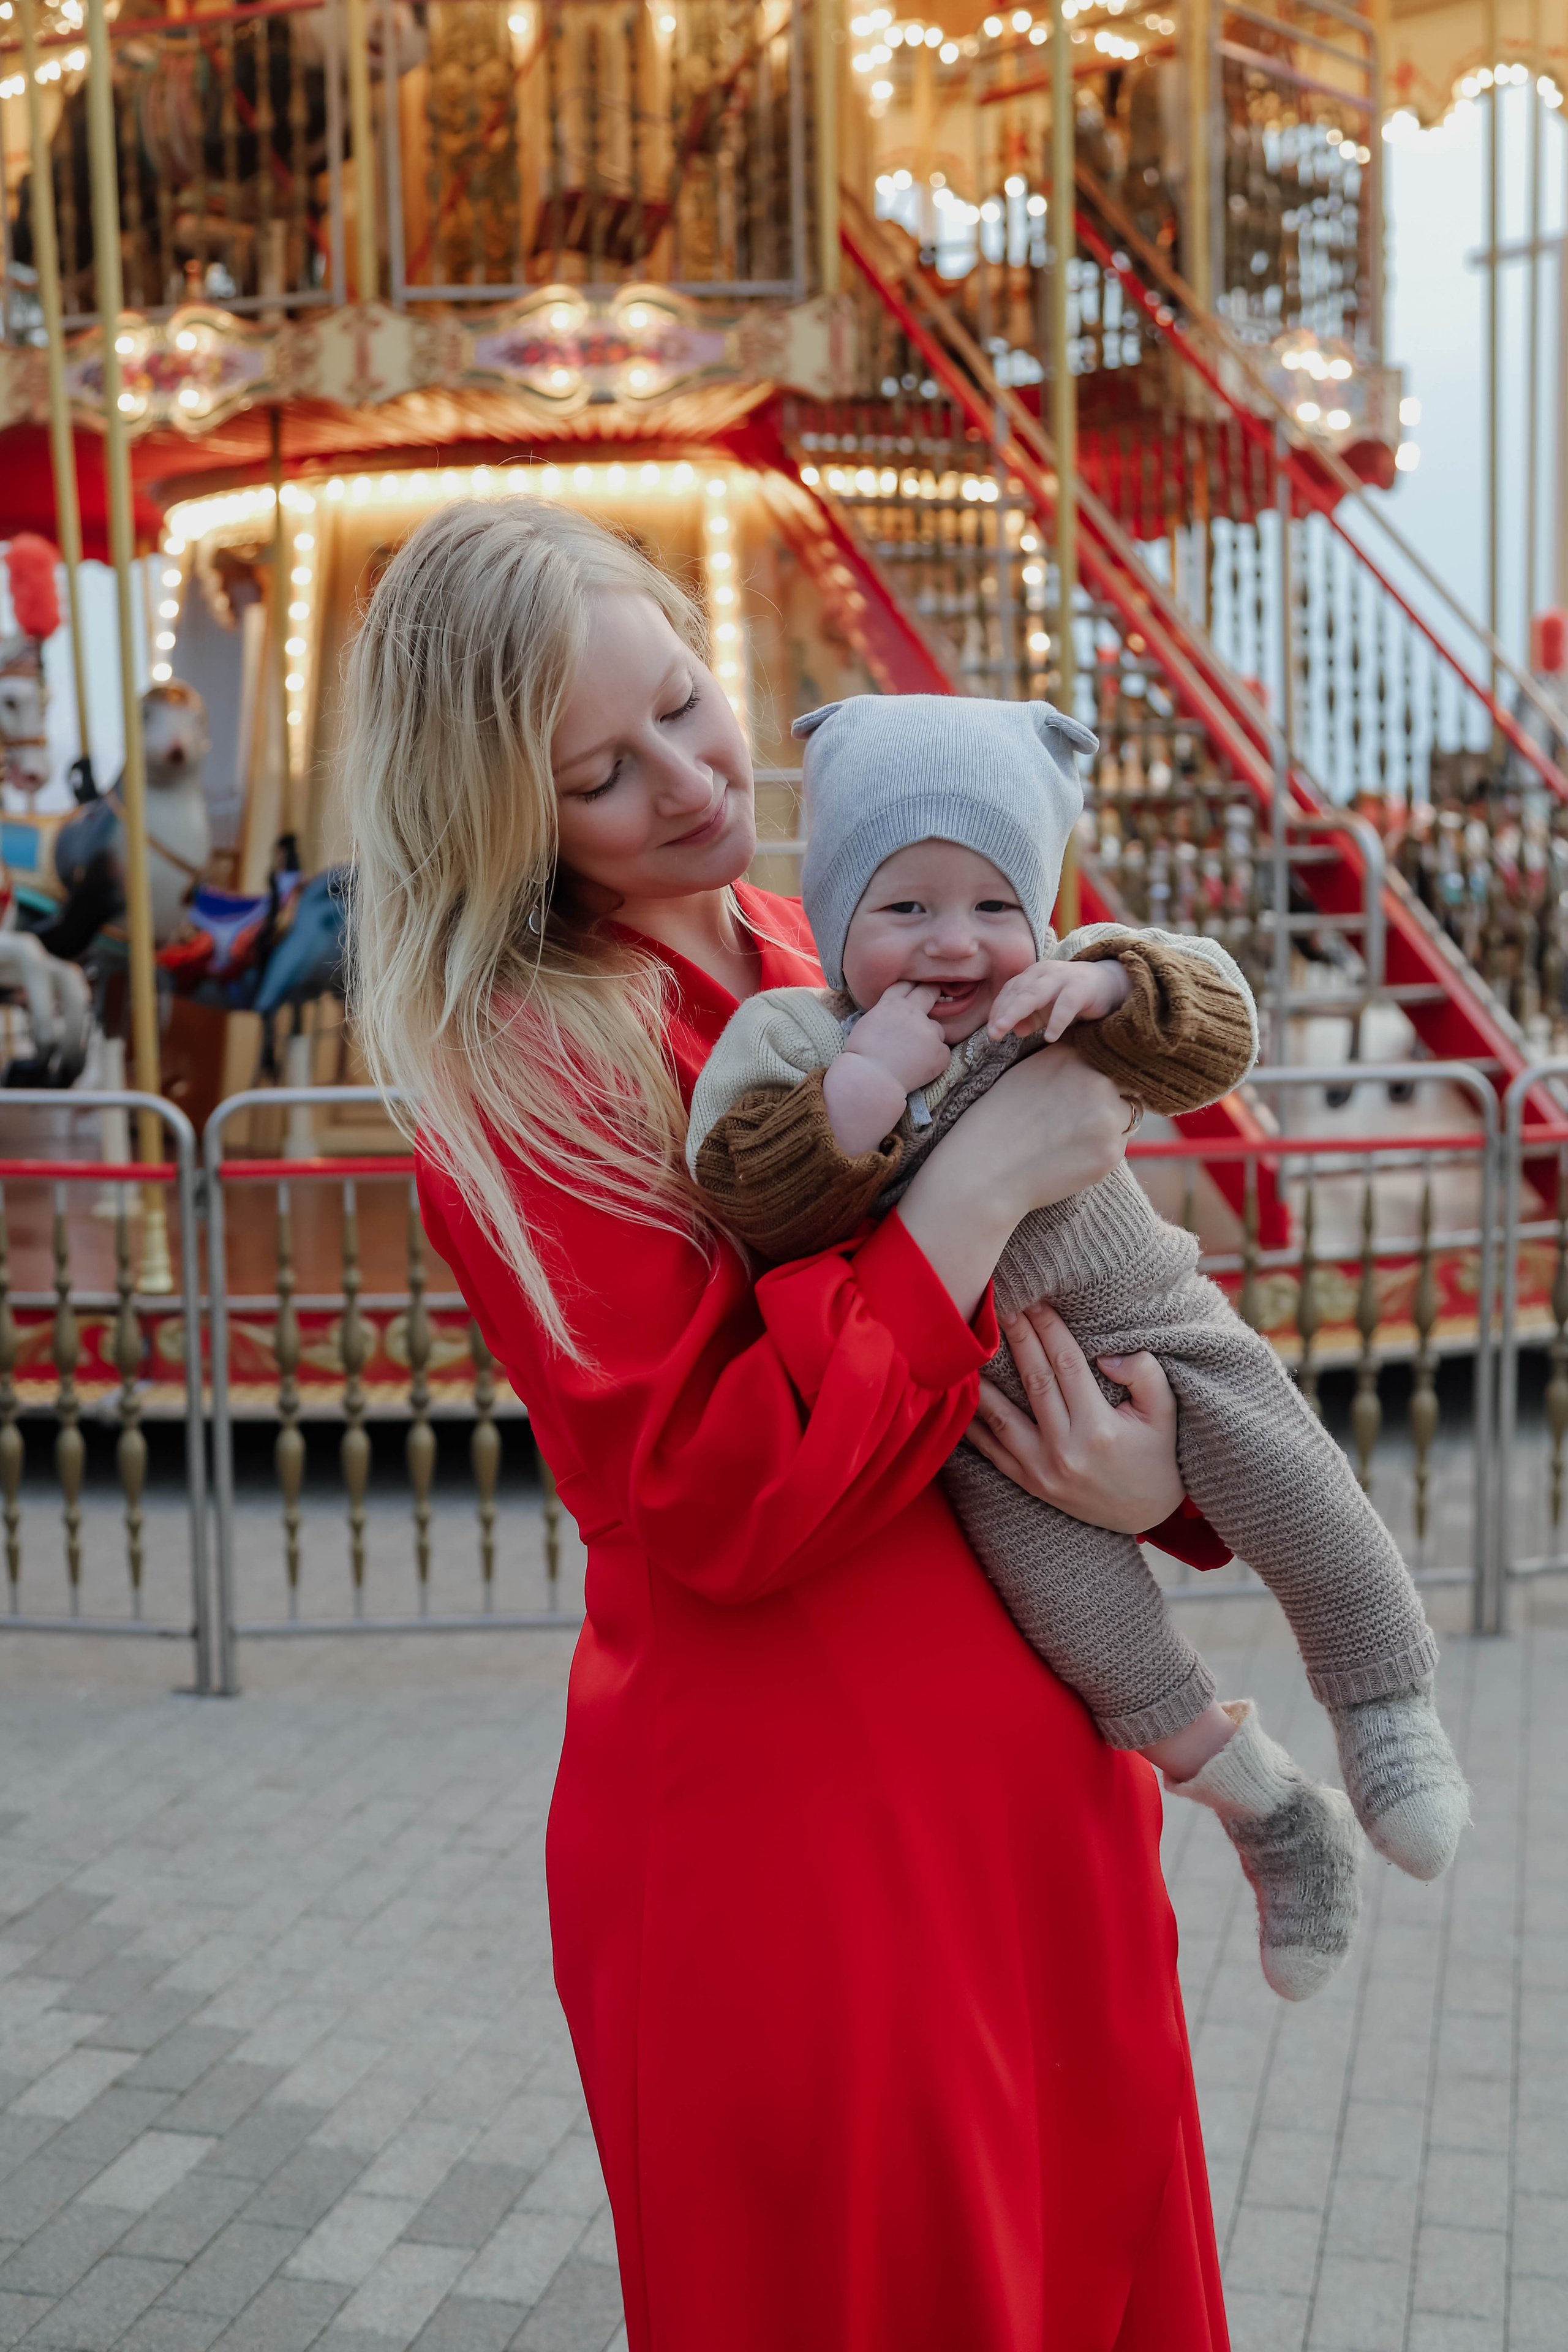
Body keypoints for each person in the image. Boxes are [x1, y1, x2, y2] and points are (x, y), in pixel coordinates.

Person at [344, 497, 1231, 2351]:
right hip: (801, 1840)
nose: (686, 780)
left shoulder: (815, 927)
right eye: (600, 771)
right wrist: (962, 1194)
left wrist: (1157, 1471)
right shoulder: (528, 1061)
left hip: (1034, 1786)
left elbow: (1105, 1261)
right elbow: (708, 1494)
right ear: (503, 820)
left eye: (684, 702)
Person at [688, 693, 1470, 2003]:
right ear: (834, 917)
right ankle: (1270, 1812)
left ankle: (1385, 1711)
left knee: (1296, 1489)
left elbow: (1216, 1025)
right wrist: (862, 1092)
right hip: (973, 1420)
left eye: (995, 905)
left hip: (1150, 1320)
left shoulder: (1065, 985)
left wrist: (1107, 981)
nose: (957, 944)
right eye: (905, 908)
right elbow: (750, 1198)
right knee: (1090, 1639)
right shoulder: (795, 1042)